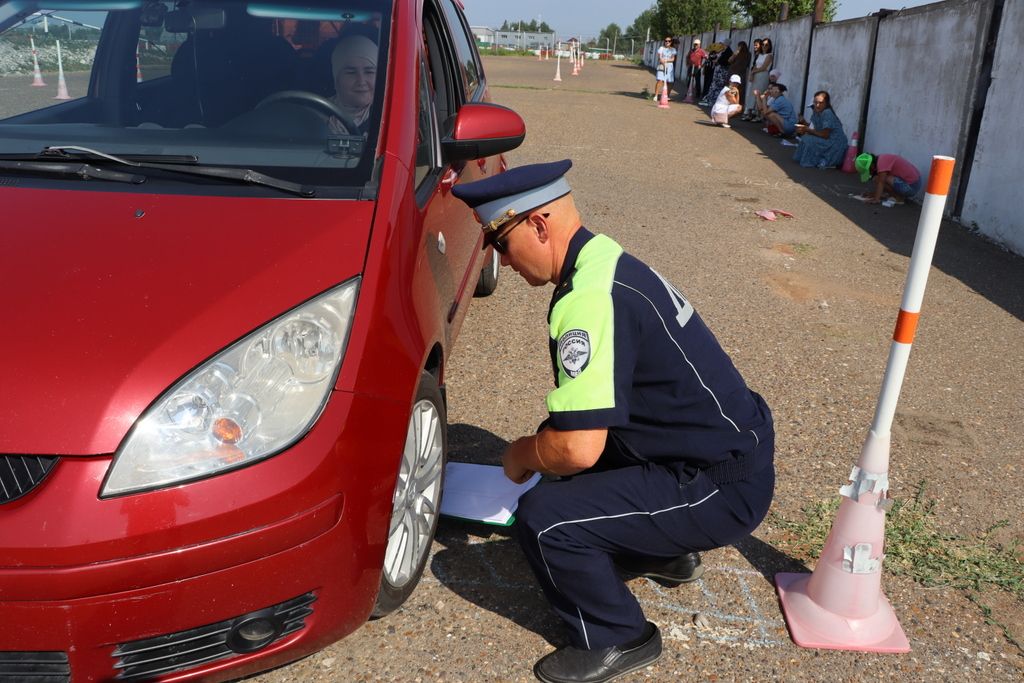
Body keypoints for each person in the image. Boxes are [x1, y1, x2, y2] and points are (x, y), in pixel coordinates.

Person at [450, 160, 776, 683]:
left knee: (546, 516)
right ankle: (665, 553)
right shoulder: (605, 258)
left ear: (538, 225)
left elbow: (577, 448)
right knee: (562, 453)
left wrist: (517, 454)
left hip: (717, 487)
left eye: (502, 245)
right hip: (717, 452)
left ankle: (618, 636)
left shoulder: (587, 300)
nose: (502, 263)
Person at [328, 27, 378, 134]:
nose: (361, 81)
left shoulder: (388, 118)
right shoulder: (316, 114)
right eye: (351, 73)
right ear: (336, 79)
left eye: (369, 72)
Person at [792, 90, 848, 168]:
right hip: (828, 140)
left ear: (826, 103)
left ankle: (819, 160)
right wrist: (804, 125)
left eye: (821, 103)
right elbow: (814, 128)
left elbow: (825, 135)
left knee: (809, 139)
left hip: (835, 144)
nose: (817, 105)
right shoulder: (816, 113)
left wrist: (807, 130)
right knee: (806, 137)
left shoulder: (827, 113)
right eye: (815, 103)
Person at [855, 152, 922, 204]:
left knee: (880, 179)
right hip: (912, 183)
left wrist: (876, 199)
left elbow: (881, 182)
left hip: (912, 187)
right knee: (878, 178)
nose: (870, 173)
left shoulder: (882, 163)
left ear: (871, 166)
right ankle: (893, 195)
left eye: (869, 171)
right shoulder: (881, 160)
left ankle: (899, 198)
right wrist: (873, 194)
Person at [743, 38, 773, 120]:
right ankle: (750, 113)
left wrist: (754, 72)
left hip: (763, 75)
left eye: (766, 45)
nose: (764, 46)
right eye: (763, 44)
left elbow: (764, 67)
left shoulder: (769, 55)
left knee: (760, 93)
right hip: (756, 75)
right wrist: (752, 73)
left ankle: (759, 115)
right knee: (753, 94)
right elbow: (756, 65)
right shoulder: (759, 55)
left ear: (769, 46)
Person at [728, 41, 751, 108]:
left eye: (741, 46)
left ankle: (737, 105)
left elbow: (746, 65)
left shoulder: (748, 54)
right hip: (733, 72)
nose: (740, 48)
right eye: (739, 46)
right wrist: (735, 54)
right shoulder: (736, 53)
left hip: (741, 74)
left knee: (739, 90)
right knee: (731, 88)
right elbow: (729, 60)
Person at [652, 36, 676, 101]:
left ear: (671, 42)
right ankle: (656, 95)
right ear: (664, 42)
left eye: (669, 41)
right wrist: (664, 64)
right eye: (666, 41)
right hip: (662, 66)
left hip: (670, 67)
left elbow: (673, 59)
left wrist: (666, 61)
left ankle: (667, 95)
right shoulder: (661, 48)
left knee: (669, 82)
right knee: (659, 80)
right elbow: (660, 58)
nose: (667, 42)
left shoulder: (673, 50)